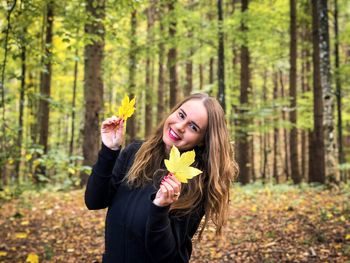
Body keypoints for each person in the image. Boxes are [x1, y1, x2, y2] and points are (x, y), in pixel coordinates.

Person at [85, 93, 238, 263]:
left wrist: (160, 209)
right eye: (181, 115)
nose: (180, 126)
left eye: (193, 127)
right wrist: (109, 150)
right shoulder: (134, 153)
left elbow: (169, 259)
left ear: (202, 141)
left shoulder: (193, 187)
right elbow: (94, 201)